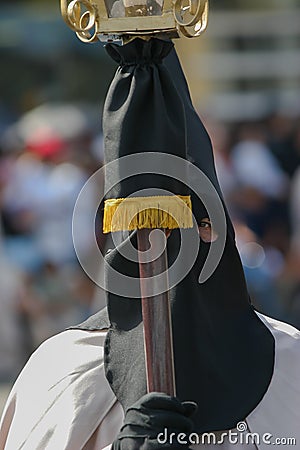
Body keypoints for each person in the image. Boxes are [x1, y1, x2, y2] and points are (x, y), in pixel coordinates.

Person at [1, 40, 300, 450]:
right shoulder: (60, 371)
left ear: (216, 228)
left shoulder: (293, 363)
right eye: (135, 233)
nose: (159, 249)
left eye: (186, 226)